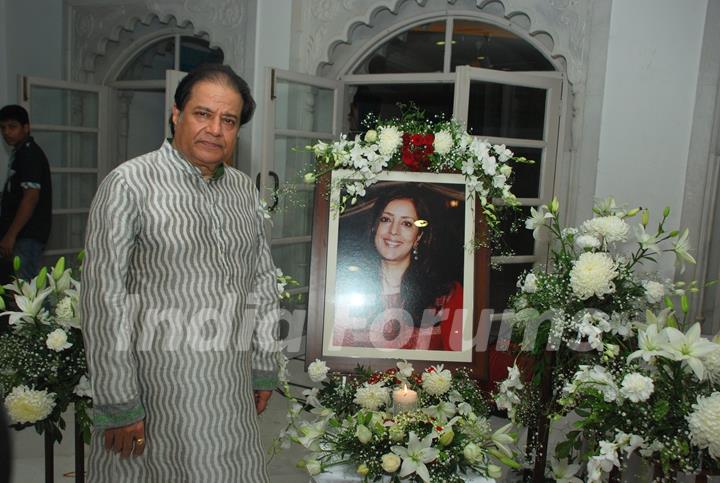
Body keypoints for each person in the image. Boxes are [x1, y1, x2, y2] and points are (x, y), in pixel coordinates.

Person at [81, 64, 280, 482]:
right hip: (158, 389)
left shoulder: (242, 188)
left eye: (228, 120)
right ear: (176, 114)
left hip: (230, 388)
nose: (215, 130)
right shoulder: (129, 184)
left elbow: (259, 281)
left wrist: (263, 362)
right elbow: (104, 299)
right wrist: (119, 404)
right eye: (202, 114)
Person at [333, 185, 463, 351]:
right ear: (375, 228)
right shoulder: (346, 291)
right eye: (386, 220)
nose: (393, 231)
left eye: (407, 224)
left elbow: (459, 366)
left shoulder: (446, 297)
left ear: (419, 237)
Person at [0, 105, 52, 284]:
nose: (7, 132)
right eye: (3, 128)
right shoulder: (20, 152)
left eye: (12, 126)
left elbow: (30, 197)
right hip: (21, 235)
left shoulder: (29, 154)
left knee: (28, 292)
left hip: (26, 236)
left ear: (26, 127)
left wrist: (11, 235)